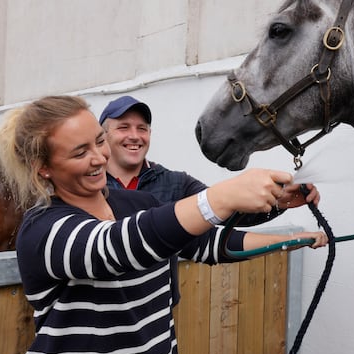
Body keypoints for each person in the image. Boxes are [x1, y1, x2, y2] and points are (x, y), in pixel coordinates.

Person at [0, 95, 327, 354]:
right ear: (42, 168)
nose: (98, 158)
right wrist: (220, 197)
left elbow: (206, 245)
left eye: (98, 141)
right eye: (79, 153)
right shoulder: (43, 228)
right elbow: (118, 247)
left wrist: (287, 240)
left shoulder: (135, 203)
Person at [100, 94, 321, 245]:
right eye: (123, 128)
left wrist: (279, 200)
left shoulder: (176, 183)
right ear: (103, 136)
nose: (135, 136)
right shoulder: (88, 187)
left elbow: (228, 212)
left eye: (142, 129)